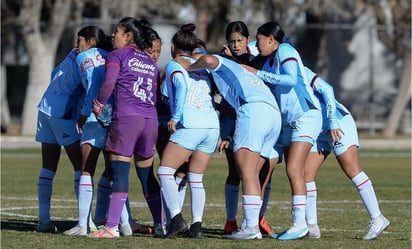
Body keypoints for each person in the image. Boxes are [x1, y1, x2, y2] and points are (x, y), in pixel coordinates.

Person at [178, 52, 281, 240]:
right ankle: (251, 225)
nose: (197, 62)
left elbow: (208, 59)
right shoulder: (241, 71)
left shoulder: (221, 64)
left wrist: (190, 66)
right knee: (253, 175)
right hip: (273, 114)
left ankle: (250, 228)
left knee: (247, 173)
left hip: (253, 109)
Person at [243, 21, 322, 240]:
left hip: (306, 116)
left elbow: (289, 81)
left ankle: (300, 224)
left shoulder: (286, 50)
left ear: (271, 39)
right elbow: (247, 46)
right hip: (287, 122)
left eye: (260, 40)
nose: (256, 45)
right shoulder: (268, 58)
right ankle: (252, 222)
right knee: (274, 167)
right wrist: (232, 49)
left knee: (294, 170)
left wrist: (258, 74)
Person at [88, 17, 159, 238]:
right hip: (150, 120)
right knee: (147, 174)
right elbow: (153, 95)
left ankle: (110, 227)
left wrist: (98, 105)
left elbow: (109, 83)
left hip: (127, 119)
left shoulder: (117, 55)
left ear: (128, 36)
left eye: (117, 31)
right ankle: (160, 224)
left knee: (119, 172)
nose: (112, 35)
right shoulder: (150, 62)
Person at [303, 67, 390, 240]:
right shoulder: (273, 71)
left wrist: (333, 121)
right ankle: (311, 226)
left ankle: (377, 218)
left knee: (352, 170)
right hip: (317, 129)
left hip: (337, 123)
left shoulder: (296, 68)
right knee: (305, 174)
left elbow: (327, 89)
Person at [157, 23, 220, 239]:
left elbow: (182, 87)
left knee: (165, 171)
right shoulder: (200, 65)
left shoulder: (175, 65)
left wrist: (175, 117)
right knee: (196, 178)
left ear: (173, 47)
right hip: (212, 126)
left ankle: (175, 219)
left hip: (191, 124)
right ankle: (197, 226)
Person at [219, 21, 276, 236]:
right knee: (236, 172)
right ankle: (232, 221)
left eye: (240, 40)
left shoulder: (257, 61)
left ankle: (257, 219)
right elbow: (225, 100)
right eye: (232, 41)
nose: (236, 45)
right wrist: (225, 132)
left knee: (265, 173)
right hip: (237, 122)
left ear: (248, 39)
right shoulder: (223, 62)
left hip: (262, 121)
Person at [35, 45, 84, 234]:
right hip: (61, 113)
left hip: (45, 106)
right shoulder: (90, 58)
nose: (81, 45)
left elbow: (55, 72)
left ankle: (44, 220)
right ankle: (84, 221)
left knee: (48, 166)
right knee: (81, 165)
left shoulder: (73, 52)